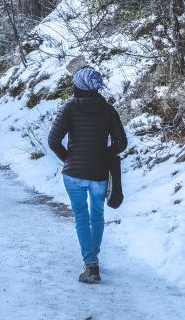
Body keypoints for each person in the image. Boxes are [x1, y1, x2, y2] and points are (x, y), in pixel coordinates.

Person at [48, 67, 127, 284]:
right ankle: (93, 258)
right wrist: (102, 155)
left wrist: (70, 159)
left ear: (78, 86)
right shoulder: (109, 110)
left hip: (73, 173)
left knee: (81, 215)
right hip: (99, 173)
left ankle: (91, 264)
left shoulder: (70, 108)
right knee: (97, 215)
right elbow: (121, 144)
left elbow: (53, 141)